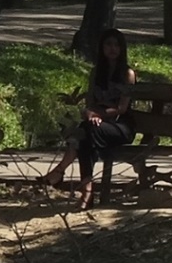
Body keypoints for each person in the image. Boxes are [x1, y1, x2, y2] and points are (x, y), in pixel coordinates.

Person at [45, 29, 137, 208]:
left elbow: (122, 108)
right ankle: (86, 195)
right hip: (96, 125)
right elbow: (90, 103)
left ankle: (63, 174)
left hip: (120, 126)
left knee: (86, 132)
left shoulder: (128, 74)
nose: (112, 49)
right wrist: (89, 113)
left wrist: (98, 115)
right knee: (86, 137)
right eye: (108, 44)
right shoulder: (96, 73)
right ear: (102, 47)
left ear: (122, 48)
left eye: (116, 45)